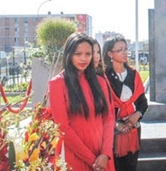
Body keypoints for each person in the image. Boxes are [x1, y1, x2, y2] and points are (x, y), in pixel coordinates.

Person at [48, 32, 115, 171]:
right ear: (68, 54)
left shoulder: (100, 82)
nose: (83, 58)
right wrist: (93, 161)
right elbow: (63, 128)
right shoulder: (57, 84)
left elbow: (108, 118)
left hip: (102, 155)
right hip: (74, 156)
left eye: (88, 54)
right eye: (78, 54)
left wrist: (105, 153)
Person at [103, 35, 148, 171]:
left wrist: (136, 115)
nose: (125, 53)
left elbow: (142, 102)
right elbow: (101, 107)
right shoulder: (103, 77)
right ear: (110, 54)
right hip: (112, 131)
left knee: (131, 166)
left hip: (133, 129)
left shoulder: (133, 74)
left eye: (125, 49)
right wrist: (116, 124)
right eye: (120, 50)